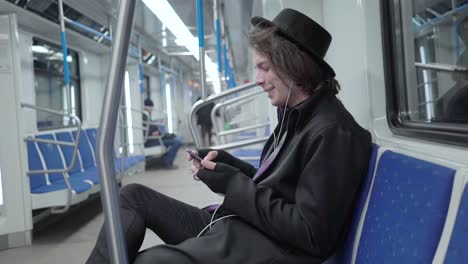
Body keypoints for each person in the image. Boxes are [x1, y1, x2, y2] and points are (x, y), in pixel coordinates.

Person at [87, 8, 371, 263]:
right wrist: (232, 168)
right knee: (133, 197)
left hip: (268, 247)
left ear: (294, 66)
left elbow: (311, 234)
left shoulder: (333, 132)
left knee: (151, 261)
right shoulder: (295, 116)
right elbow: (279, 189)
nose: (258, 79)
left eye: (264, 68)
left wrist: (234, 184)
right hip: (242, 227)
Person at [142, 98, 181, 169]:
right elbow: (150, 131)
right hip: (153, 140)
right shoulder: (145, 116)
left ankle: (167, 161)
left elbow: (150, 128)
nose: (152, 109)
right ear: (148, 107)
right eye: (151, 107)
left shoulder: (147, 116)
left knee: (175, 140)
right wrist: (157, 130)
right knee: (176, 142)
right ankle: (167, 162)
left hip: (155, 139)